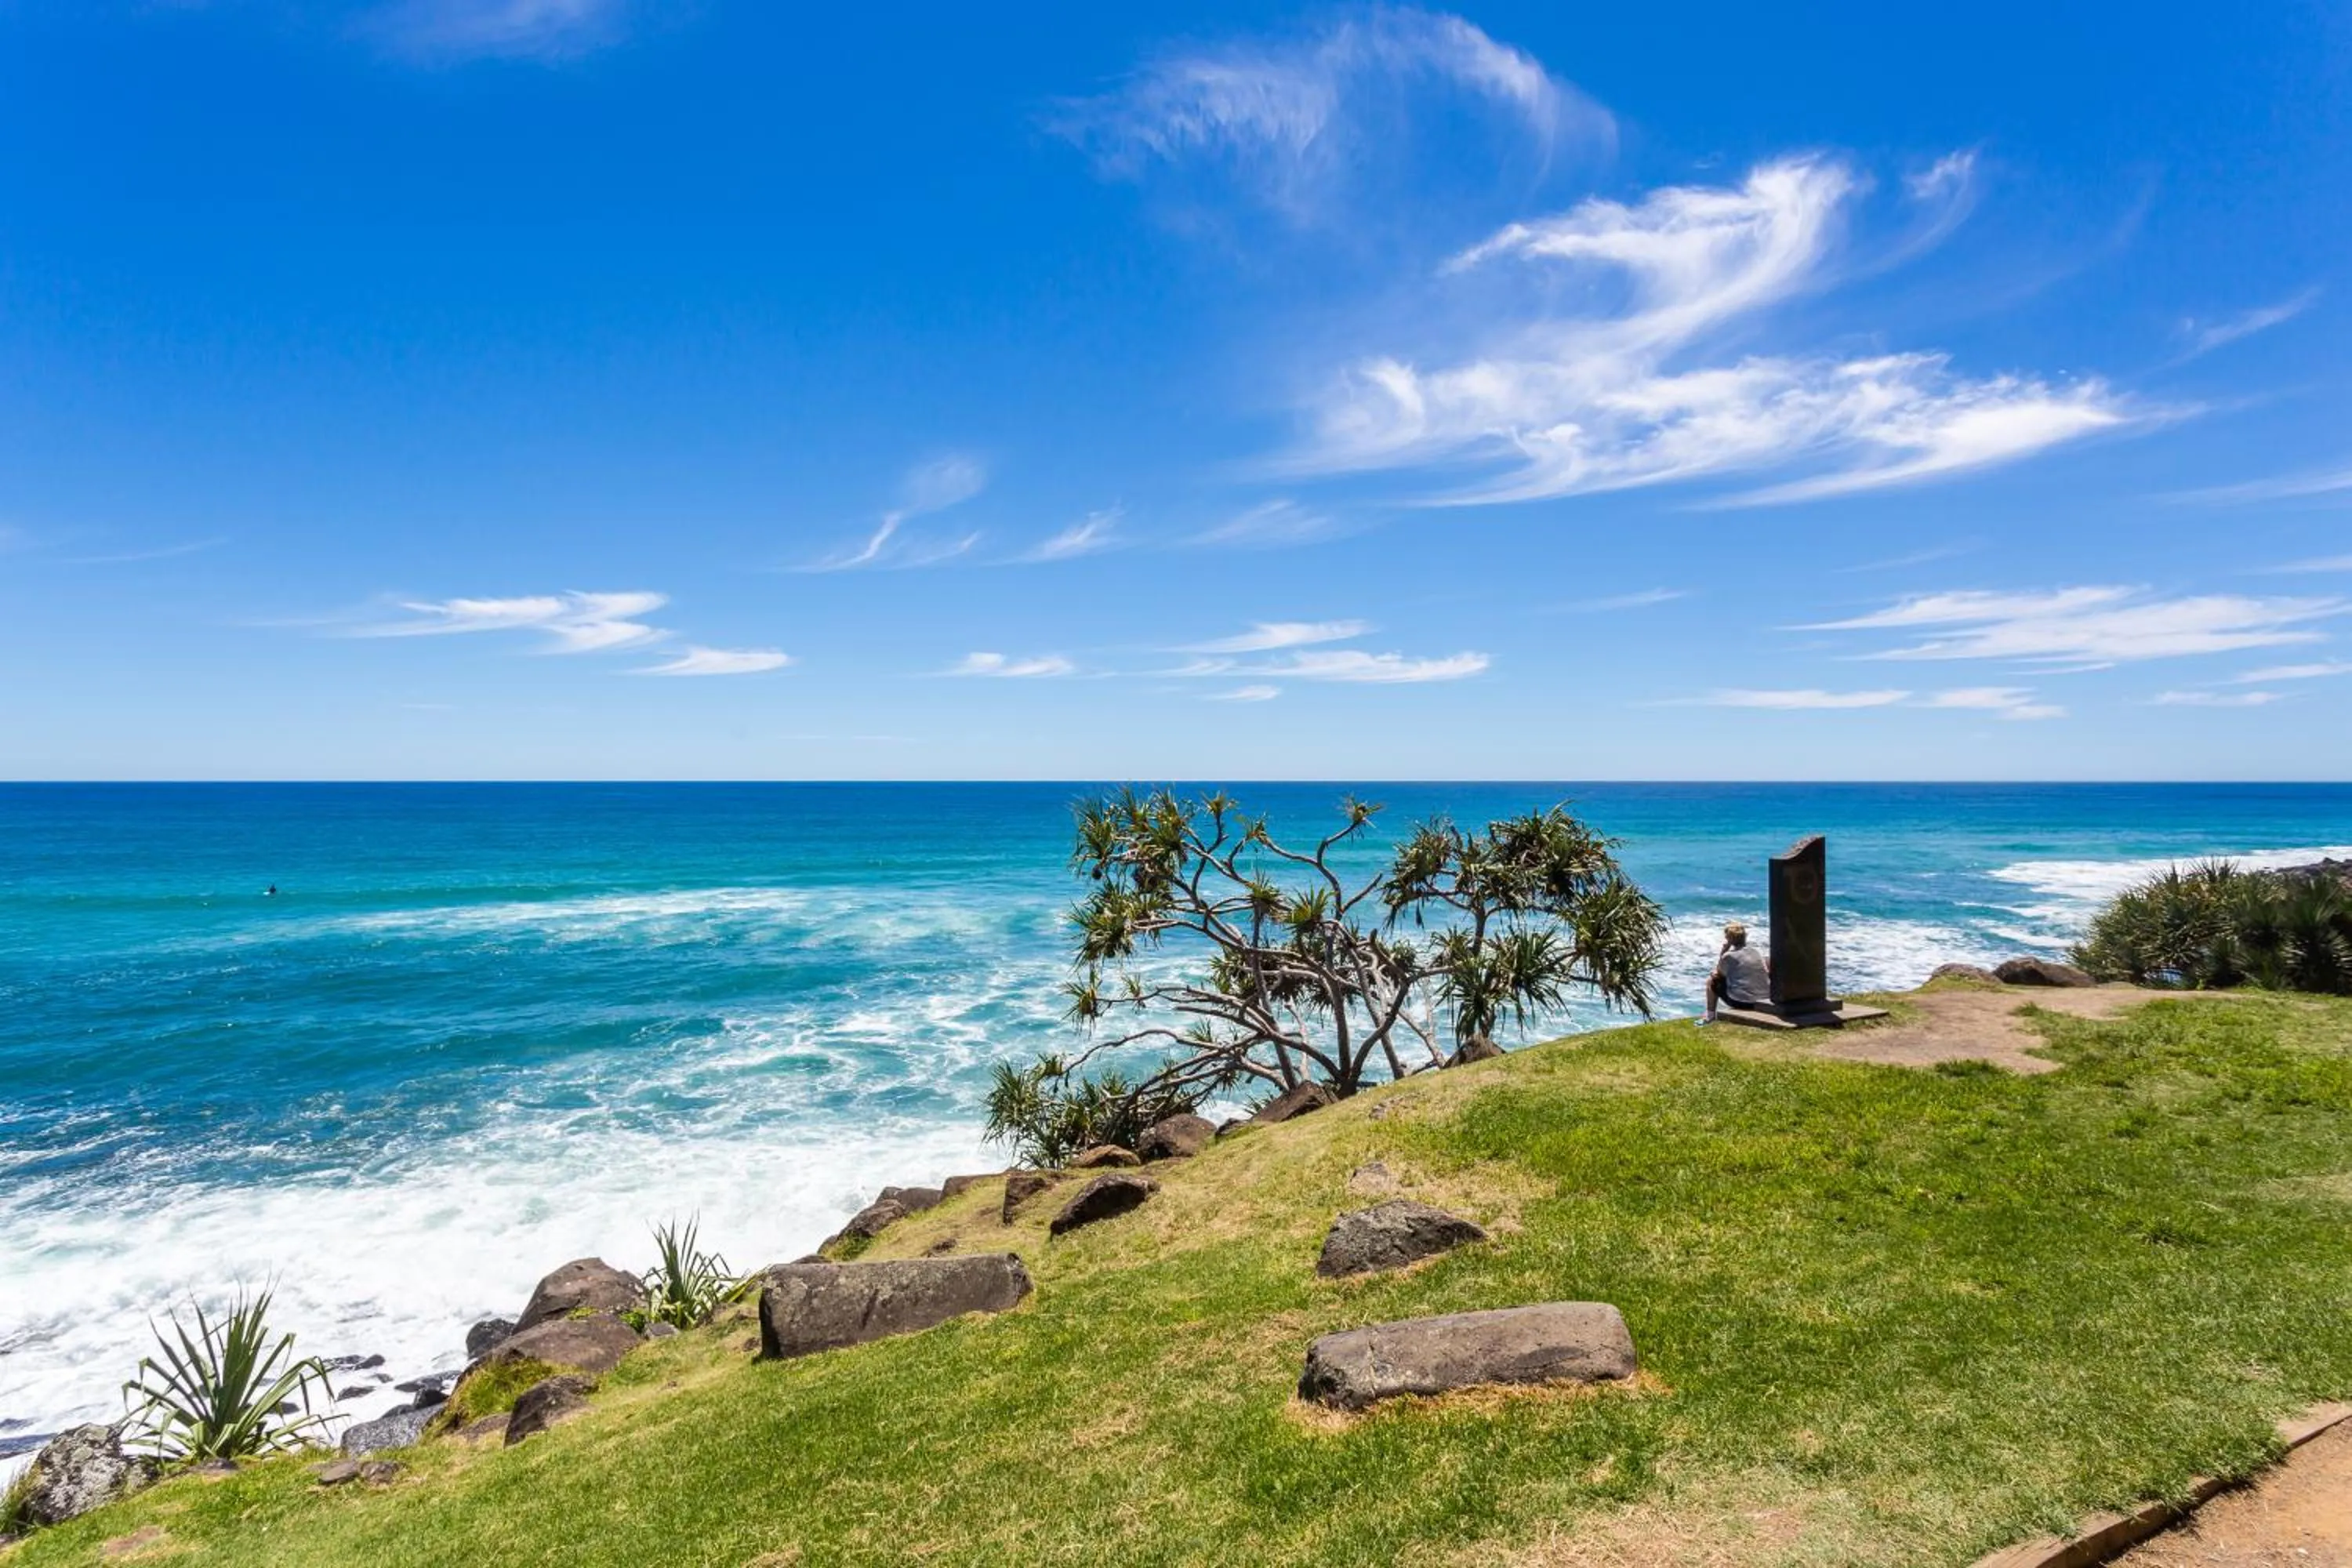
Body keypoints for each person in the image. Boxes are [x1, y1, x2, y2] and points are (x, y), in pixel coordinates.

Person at [1704, 922, 1770, 1022]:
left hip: (1743, 1002)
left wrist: (1724, 951)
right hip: (1763, 1000)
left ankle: (1710, 1015)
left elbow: (1719, 974)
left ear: (1729, 939)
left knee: (1711, 981)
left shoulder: (1729, 956)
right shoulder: (1755, 952)